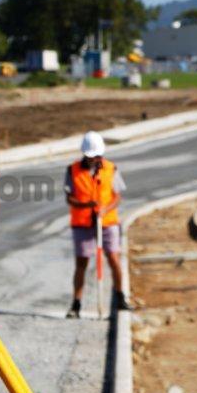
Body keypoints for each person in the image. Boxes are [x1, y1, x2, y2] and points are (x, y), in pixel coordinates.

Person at [64, 131, 133, 318]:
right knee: (82, 263)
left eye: (98, 155)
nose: (96, 158)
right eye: (92, 156)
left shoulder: (111, 169)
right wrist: (87, 205)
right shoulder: (73, 170)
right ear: (85, 154)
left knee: (113, 258)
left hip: (107, 222)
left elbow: (117, 196)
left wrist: (105, 209)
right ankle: (76, 304)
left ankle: (120, 298)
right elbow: (69, 198)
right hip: (82, 223)